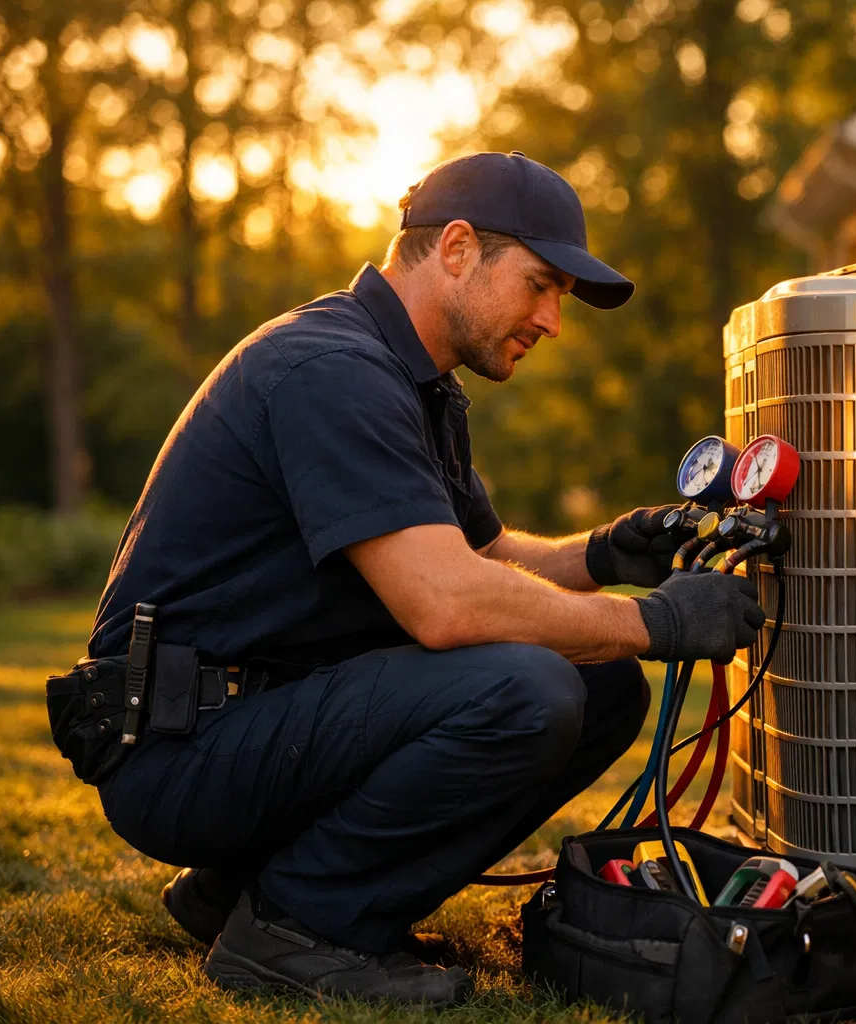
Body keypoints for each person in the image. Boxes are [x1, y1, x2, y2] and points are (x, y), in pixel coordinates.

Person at [80, 152, 765, 1006]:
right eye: (541, 284)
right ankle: (297, 925)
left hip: (251, 720)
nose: (553, 320)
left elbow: (471, 558)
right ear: (457, 248)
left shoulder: (410, 378)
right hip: (180, 752)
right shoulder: (331, 370)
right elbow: (443, 602)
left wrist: (602, 554)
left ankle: (239, 887)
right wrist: (661, 622)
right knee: (528, 692)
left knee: (603, 688)